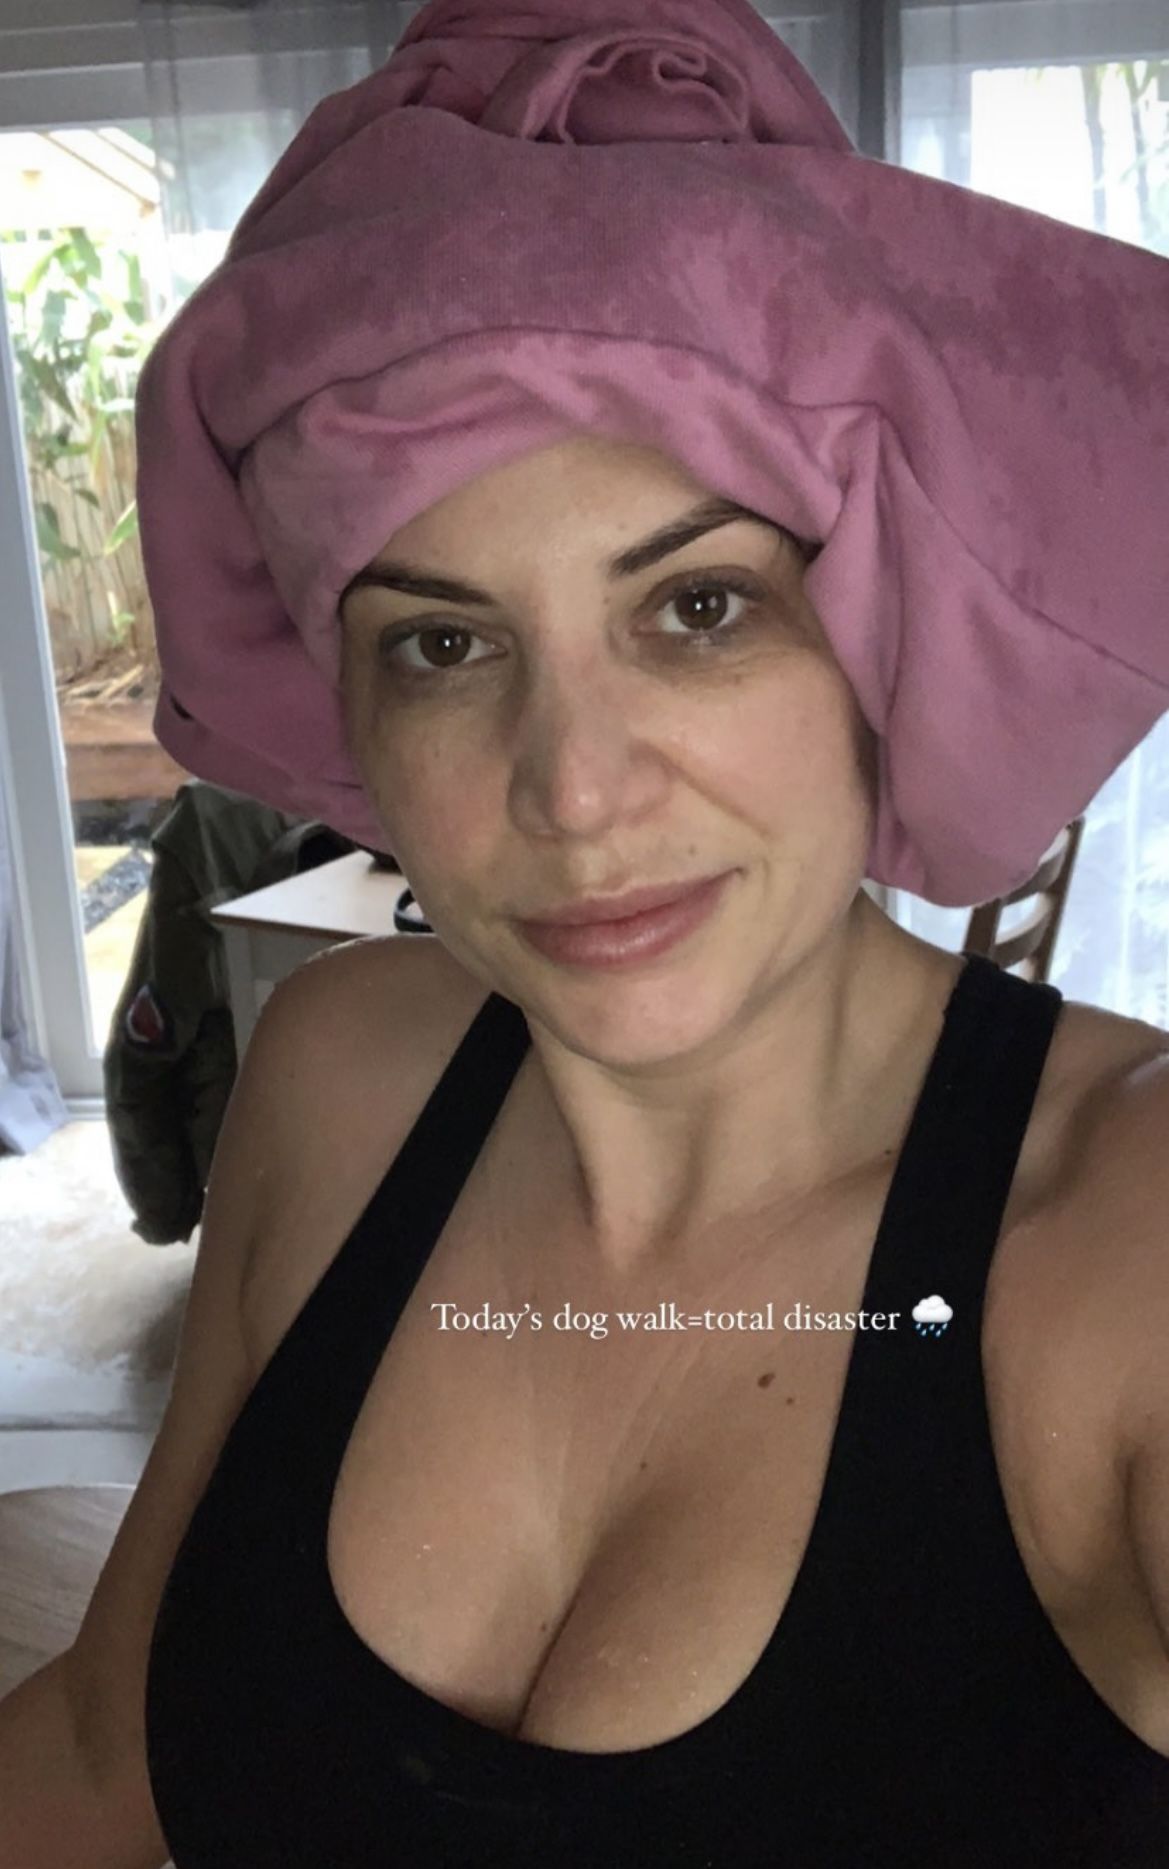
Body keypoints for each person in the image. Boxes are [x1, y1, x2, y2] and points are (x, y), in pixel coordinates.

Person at [3, 2, 1169, 1865]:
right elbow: (106, 1747)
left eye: (697, 607)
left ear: (876, 638)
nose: (571, 790)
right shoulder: (338, 1074)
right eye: (442, 643)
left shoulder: (1127, 1243)